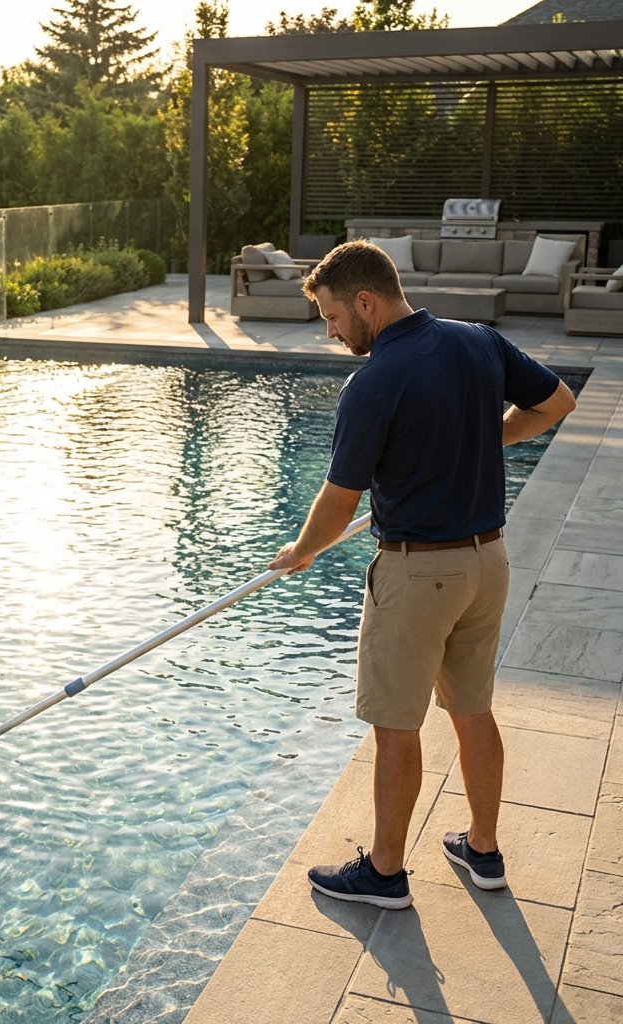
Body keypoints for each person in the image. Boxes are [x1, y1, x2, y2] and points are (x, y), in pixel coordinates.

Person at [268, 239, 576, 910]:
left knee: (396, 726)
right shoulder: (479, 342)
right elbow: (558, 404)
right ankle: (484, 851)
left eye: (332, 316)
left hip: (418, 577)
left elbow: (339, 501)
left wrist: (303, 551)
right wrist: (477, 434)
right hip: (487, 563)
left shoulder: (373, 381)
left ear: (366, 302)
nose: (330, 330)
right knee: (472, 711)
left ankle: (383, 873)